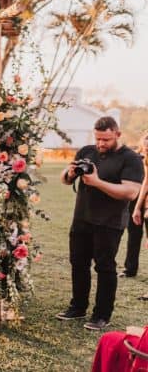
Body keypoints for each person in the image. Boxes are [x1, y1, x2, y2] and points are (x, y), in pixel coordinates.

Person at [56, 116, 144, 331]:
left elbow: (131, 192)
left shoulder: (130, 158)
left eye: (105, 139)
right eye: (98, 139)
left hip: (109, 222)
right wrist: (69, 173)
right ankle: (77, 307)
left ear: (117, 134)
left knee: (104, 267)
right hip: (82, 218)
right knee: (78, 263)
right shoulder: (87, 151)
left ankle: (102, 315)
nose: (101, 144)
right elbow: (66, 180)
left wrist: (97, 182)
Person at [122, 131, 148, 280]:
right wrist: (137, 206)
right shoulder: (135, 158)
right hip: (136, 199)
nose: (146, 149)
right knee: (133, 234)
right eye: (145, 147)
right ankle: (130, 269)